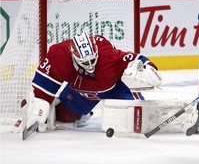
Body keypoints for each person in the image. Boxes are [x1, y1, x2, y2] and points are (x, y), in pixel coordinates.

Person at [13, 32, 162, 133]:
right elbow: (44, 83)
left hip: (115, 87)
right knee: (63, 117)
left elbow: (134, 59)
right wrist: (40, 102)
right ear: (73, 56)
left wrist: (150, 67)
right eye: (85, 62)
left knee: (135, 119)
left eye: (93, 60)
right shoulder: (59, 55)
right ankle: (83, 114)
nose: (90, 66)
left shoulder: (108, 55)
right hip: (83, 92)